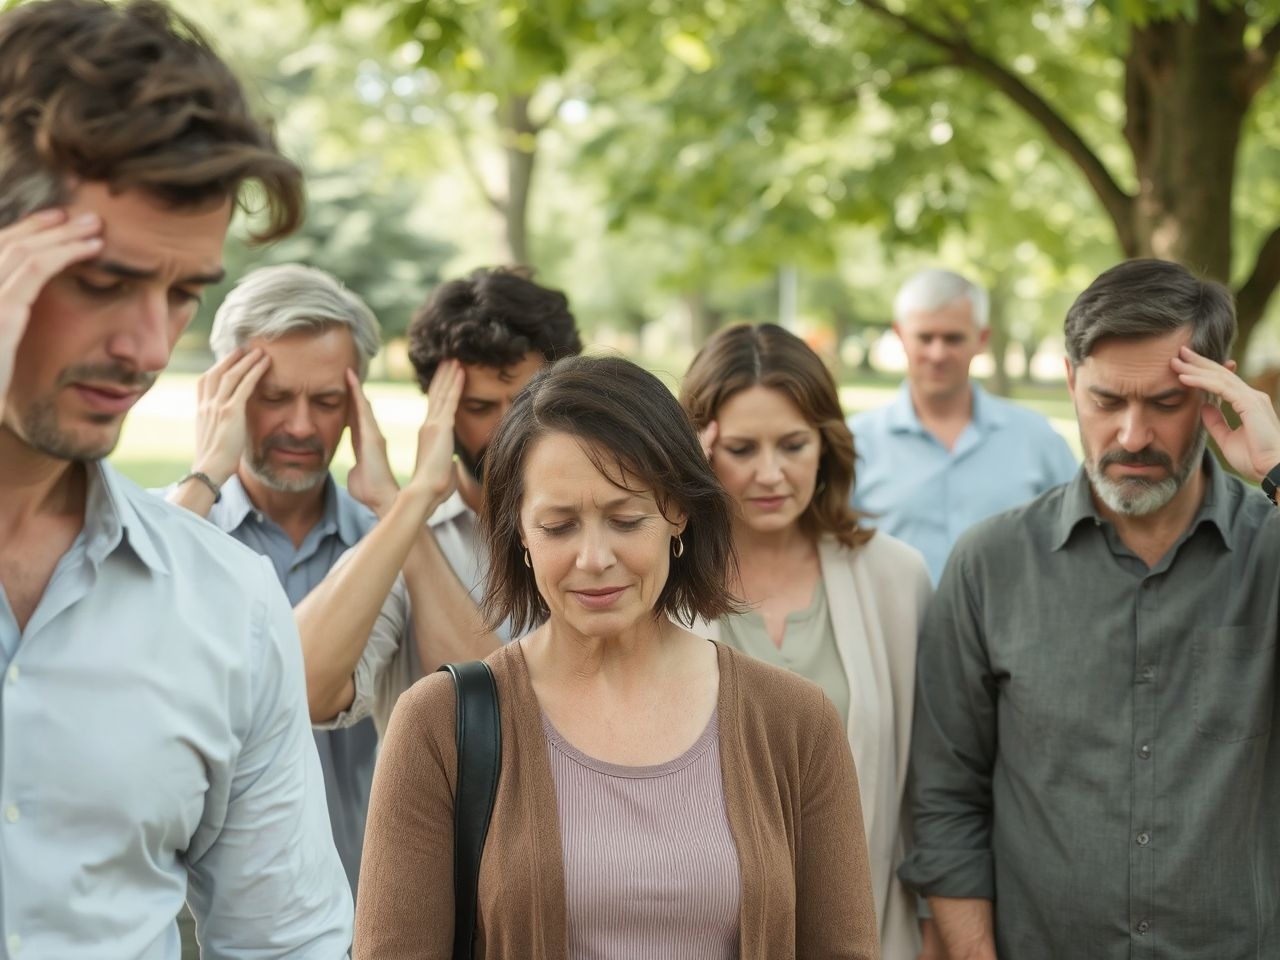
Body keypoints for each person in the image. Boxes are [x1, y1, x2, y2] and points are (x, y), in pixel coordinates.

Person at [0, 1, 351, 956]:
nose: (149, 349)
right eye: (103, 282)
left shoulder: (228, 603)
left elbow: (291, 940)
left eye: (182, 292)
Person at [355, 355, 880, 959]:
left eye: (626, 519)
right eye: (559, 526)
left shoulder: (795, 720)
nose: (594, 558)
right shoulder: (438, 723)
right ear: (519, 533)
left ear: (678, 513)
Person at [899, 259, 1280, 959]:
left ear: (1215, 392)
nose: (1133, 436)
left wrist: (1278, 466)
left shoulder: (1272, 549)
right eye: (1107, 401)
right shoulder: (990, 564)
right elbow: (946, 801)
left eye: (1166, 403)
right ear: (1072, 383)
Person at [680, 323, 937, 960]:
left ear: (827, 444)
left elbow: (933, 784)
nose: (771, 474)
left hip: (867, 929)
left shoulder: (896, 578)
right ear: (700, 448)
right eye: (741, 448)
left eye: (793, 444)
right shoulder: (660, 587)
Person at [163, 263, 385, 895]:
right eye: (274, 395)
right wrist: (207, 469)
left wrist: (401, 511)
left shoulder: (390, 544)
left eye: (327, 400)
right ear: (222, 395)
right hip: (192, 916)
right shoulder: (160, 529)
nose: (300, 427)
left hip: (358, 907)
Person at [301, 266, 581, 735]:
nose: (509, 431)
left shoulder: (612, 528)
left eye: (527, 402)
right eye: (478, 408)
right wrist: (402, 510)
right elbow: (302, 688)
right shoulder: (403, 538)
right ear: (440, 414)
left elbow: (523, 729)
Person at [850, 268, 1077, 581]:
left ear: (982, 338)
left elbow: (1079, 544)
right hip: (893, 628)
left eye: (953, 338)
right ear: (900, 335)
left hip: (1009, 627)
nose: (938, 353)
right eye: (925, 337)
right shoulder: (855, 442)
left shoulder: (1038, 439)